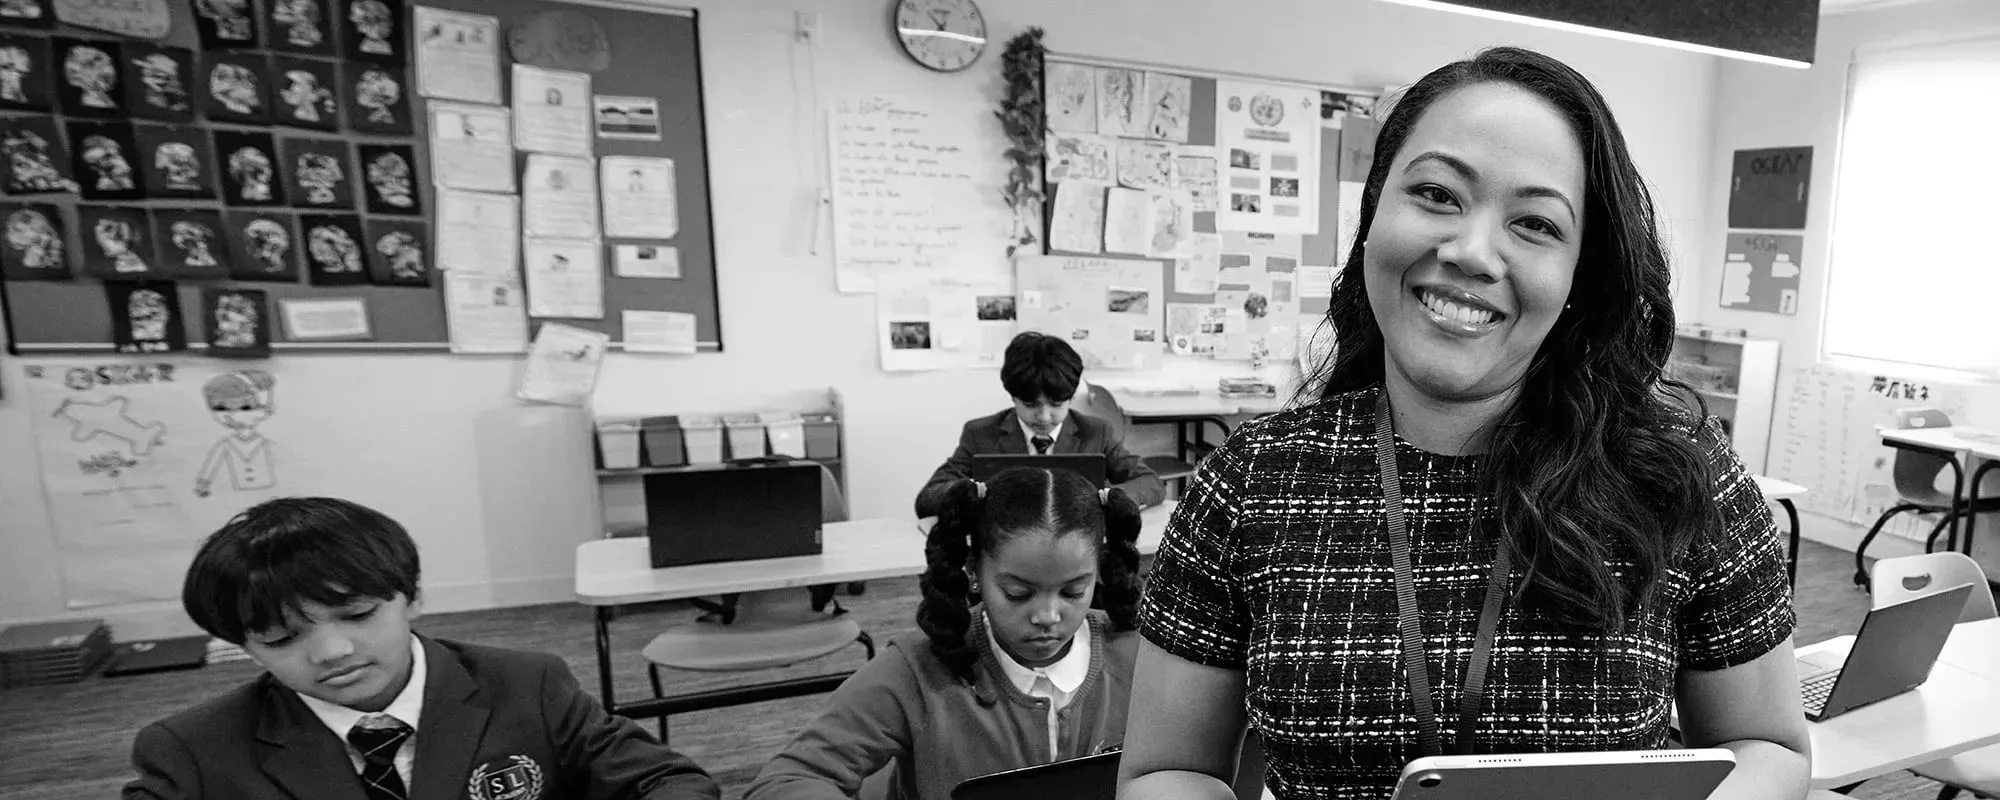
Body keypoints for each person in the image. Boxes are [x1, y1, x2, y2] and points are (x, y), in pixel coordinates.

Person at [1118, 47, 1809, 800]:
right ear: (1376, 209)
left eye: (1536, 223)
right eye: (1439, 194)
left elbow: (1767, 744)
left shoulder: (1683, 479)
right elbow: (1167, 769)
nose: (1474, 253)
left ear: (1583, 271)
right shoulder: (1252, 481)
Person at [124, 497, 721, 800]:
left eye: (358, 614)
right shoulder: (193, 752)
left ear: (412, 597)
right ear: (243, 648)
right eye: (281, 638)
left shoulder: (525, 685)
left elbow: (668, 781)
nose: (331, 651)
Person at [749, 467, 1144, 800]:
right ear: (974, 571)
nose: (1047, 615)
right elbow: (784, 781)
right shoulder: (916, 671)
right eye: (1017, 593)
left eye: (1074, 591)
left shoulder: (1138, 658)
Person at [914, 331, 1165, 517]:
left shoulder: (1096, 432)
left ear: (1070, 397)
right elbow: (927, 498)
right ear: (1013, 397)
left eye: (1057, 404)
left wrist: (1107, 498)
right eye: (1031, 405)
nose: (1044, 417)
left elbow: (1150, 483)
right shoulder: (981, 434)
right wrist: (974, 491)